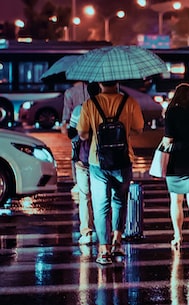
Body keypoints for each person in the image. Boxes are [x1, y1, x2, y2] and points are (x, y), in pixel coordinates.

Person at [77, 81, 144, 265]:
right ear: (118, 82)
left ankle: (104, 250)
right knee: (119, 202)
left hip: (98, 161)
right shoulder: (129, 102)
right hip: (123, 159)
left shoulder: (90, 104)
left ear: (99, 82)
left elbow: (82, 133)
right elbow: (138, 128)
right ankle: (117, 243)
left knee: (100, 206)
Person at [162, 83, 189, 252]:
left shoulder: (172, 112)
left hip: (176, 160)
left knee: (176, 200)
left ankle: (178, 236)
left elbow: (169, 139)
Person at [67, 83, 100, 246]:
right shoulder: (111, 107)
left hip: (84, 158)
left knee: (85, 196)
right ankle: (106, 233)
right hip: (105, 160)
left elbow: (71, 133)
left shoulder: (80, 109)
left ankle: (87, 232)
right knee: (104, 198)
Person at [61, 81, 91, 192]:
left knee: (77, 155)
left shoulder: (69, 93)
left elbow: (67, 114)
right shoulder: (92, 89)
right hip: (91, 131)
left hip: (76, 127)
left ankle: (78, 183)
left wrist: (65, 124)